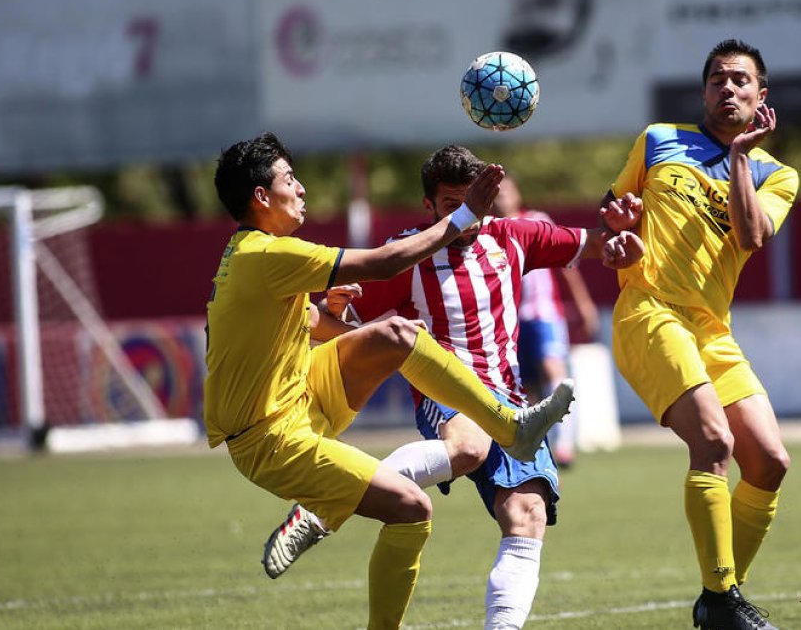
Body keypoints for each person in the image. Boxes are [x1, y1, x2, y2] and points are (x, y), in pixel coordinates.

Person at [203, 132, 574, 630]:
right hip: (272, 435)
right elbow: (385, 263)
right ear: (261, 197)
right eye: (290, 178)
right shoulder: (267, 256)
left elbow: (314, 327)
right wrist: (463, 216)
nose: (303, 188)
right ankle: (329, 521)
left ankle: (512, 426)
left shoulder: (256, 254)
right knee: (411, 508)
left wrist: (346, 324)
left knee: (398, 334)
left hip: (301, 389)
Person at [267, 145, 644, 630]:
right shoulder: (407, 253)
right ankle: (324, 506)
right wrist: (333, 311)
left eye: (475, 202)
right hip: (444, 389)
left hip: (508, 398)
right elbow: (335, 320)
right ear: (430, 207)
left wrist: (619, 238)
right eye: (453, 206)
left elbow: (597, 243)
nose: (468, 217)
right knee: (468, 447)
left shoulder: (513, 236)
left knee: (527, 514)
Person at [597, 39, 798, 630]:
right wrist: (620, 227)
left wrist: (738, 157)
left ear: (762, 96)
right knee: (714, 442)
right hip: (649, 311)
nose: (727, 88)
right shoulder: (658, 139)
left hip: (712, 331)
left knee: (770, 462)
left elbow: (751, 237)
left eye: (740, 80)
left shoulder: (775, 174)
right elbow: (614, 211)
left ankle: (719, 596)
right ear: (704, 90)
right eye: (717, 79)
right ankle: (723, 601)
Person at [491, 176, 601, 467]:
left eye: (507, 191)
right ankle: (536, 446)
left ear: (517, 195)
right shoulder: (489, 231)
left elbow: (567, 262)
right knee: (525, 385)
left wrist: (584, 304)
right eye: (497, 193)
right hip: (511, 320)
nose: (502, 197)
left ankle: (565, 445)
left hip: (544, 314)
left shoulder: (537, 220)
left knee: (554, 369)